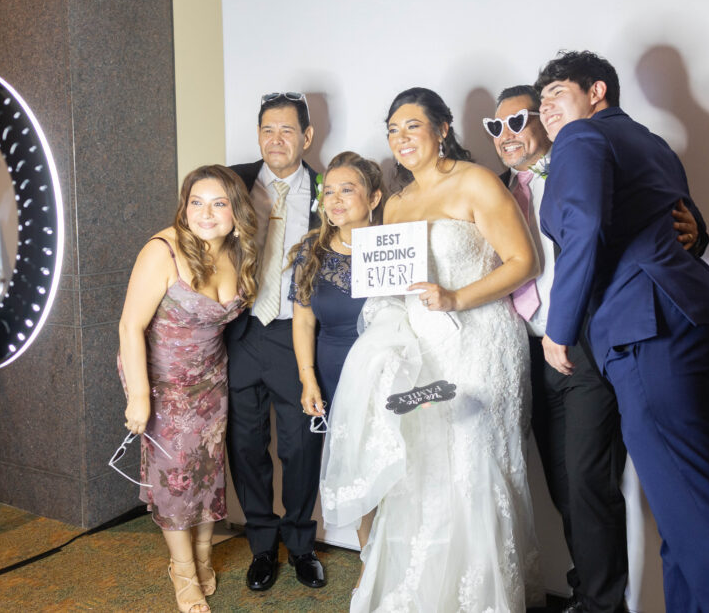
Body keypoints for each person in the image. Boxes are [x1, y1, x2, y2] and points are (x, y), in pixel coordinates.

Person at [535, 50, 709, 612]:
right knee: (686, 512)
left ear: (597, 91)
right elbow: (682, 228)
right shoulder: (653, 145)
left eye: (556, 93)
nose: (545, 108)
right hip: (705, 322)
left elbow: (584, 226)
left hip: (648, 331)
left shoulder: (581, 138)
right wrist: (698, 232)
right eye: (541, 101)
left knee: (696, 508)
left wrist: (559, 328)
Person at [321, 87, 544, 612]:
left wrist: (456, 298)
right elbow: (390, 286)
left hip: (480, 343)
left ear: (442, 129)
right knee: (423, 466)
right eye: (392, 131)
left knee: (472, 463)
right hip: (423, 350)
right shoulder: (396, 204)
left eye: (412, 126)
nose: (401, 139)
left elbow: (524, 262)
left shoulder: (476, 181)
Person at [486, 86, 703, 613]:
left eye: (516, 121)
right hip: (524, 349)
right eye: (495, 127)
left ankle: (604, 604)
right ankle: (589, 592)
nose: (505, 135)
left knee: (589, 479)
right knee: (563, 485)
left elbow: (647, 214)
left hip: (584, 341)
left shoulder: (586, 164)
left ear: (545, 119)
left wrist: (696, 231)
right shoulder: (491, 190)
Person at [118, 164, 259, 613]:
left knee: (206, 471)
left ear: (236, 211)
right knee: (175, 480)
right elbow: (129, 326)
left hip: (211, 377)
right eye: (196, 202)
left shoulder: (237, 250)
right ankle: (182, 570)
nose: (206, 213)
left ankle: (202, 556)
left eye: (219, 203)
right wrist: (139, 396)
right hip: (163, 383)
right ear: (184, 207)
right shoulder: (162, 251)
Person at [225, 92, 326, 592]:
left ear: (307, 137)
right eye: (267, 129)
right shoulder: (232, 182)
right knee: (245, 445)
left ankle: (302, 545)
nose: (276, 140)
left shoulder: (329, 189)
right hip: (241, 331)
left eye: (287, 130)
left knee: (301, 444)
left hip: (297, 334)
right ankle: (262, 546)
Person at [287, 151, 383, 583]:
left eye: (348, 189)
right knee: (357, 468)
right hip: (333, 370)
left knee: (391, 462)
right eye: (329, 192)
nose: (336, 200)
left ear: (374, 197)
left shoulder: (395, 243)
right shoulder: (312, 249)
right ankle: (370, 563)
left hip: (388, 371)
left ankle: (399, 564)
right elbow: (304, 320)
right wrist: (308, 378)